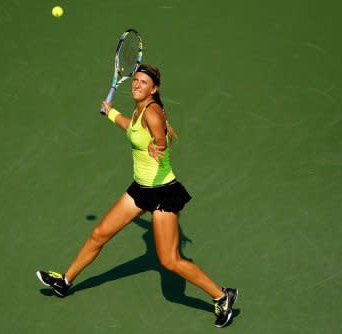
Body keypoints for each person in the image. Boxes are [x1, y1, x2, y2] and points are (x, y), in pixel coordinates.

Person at [37, 64, 238, 328]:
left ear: (153, 90)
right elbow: (131, 129)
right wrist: (111, 114)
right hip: (140, 189)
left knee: (170, 260)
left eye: (143, 82)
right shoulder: (138, 110)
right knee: (99, 234)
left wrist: (159, 147)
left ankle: (222, 296)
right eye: (135, 81)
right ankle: (65, 282)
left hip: (163, 192)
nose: (136, 85)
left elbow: (160, 138)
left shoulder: (152, 112)